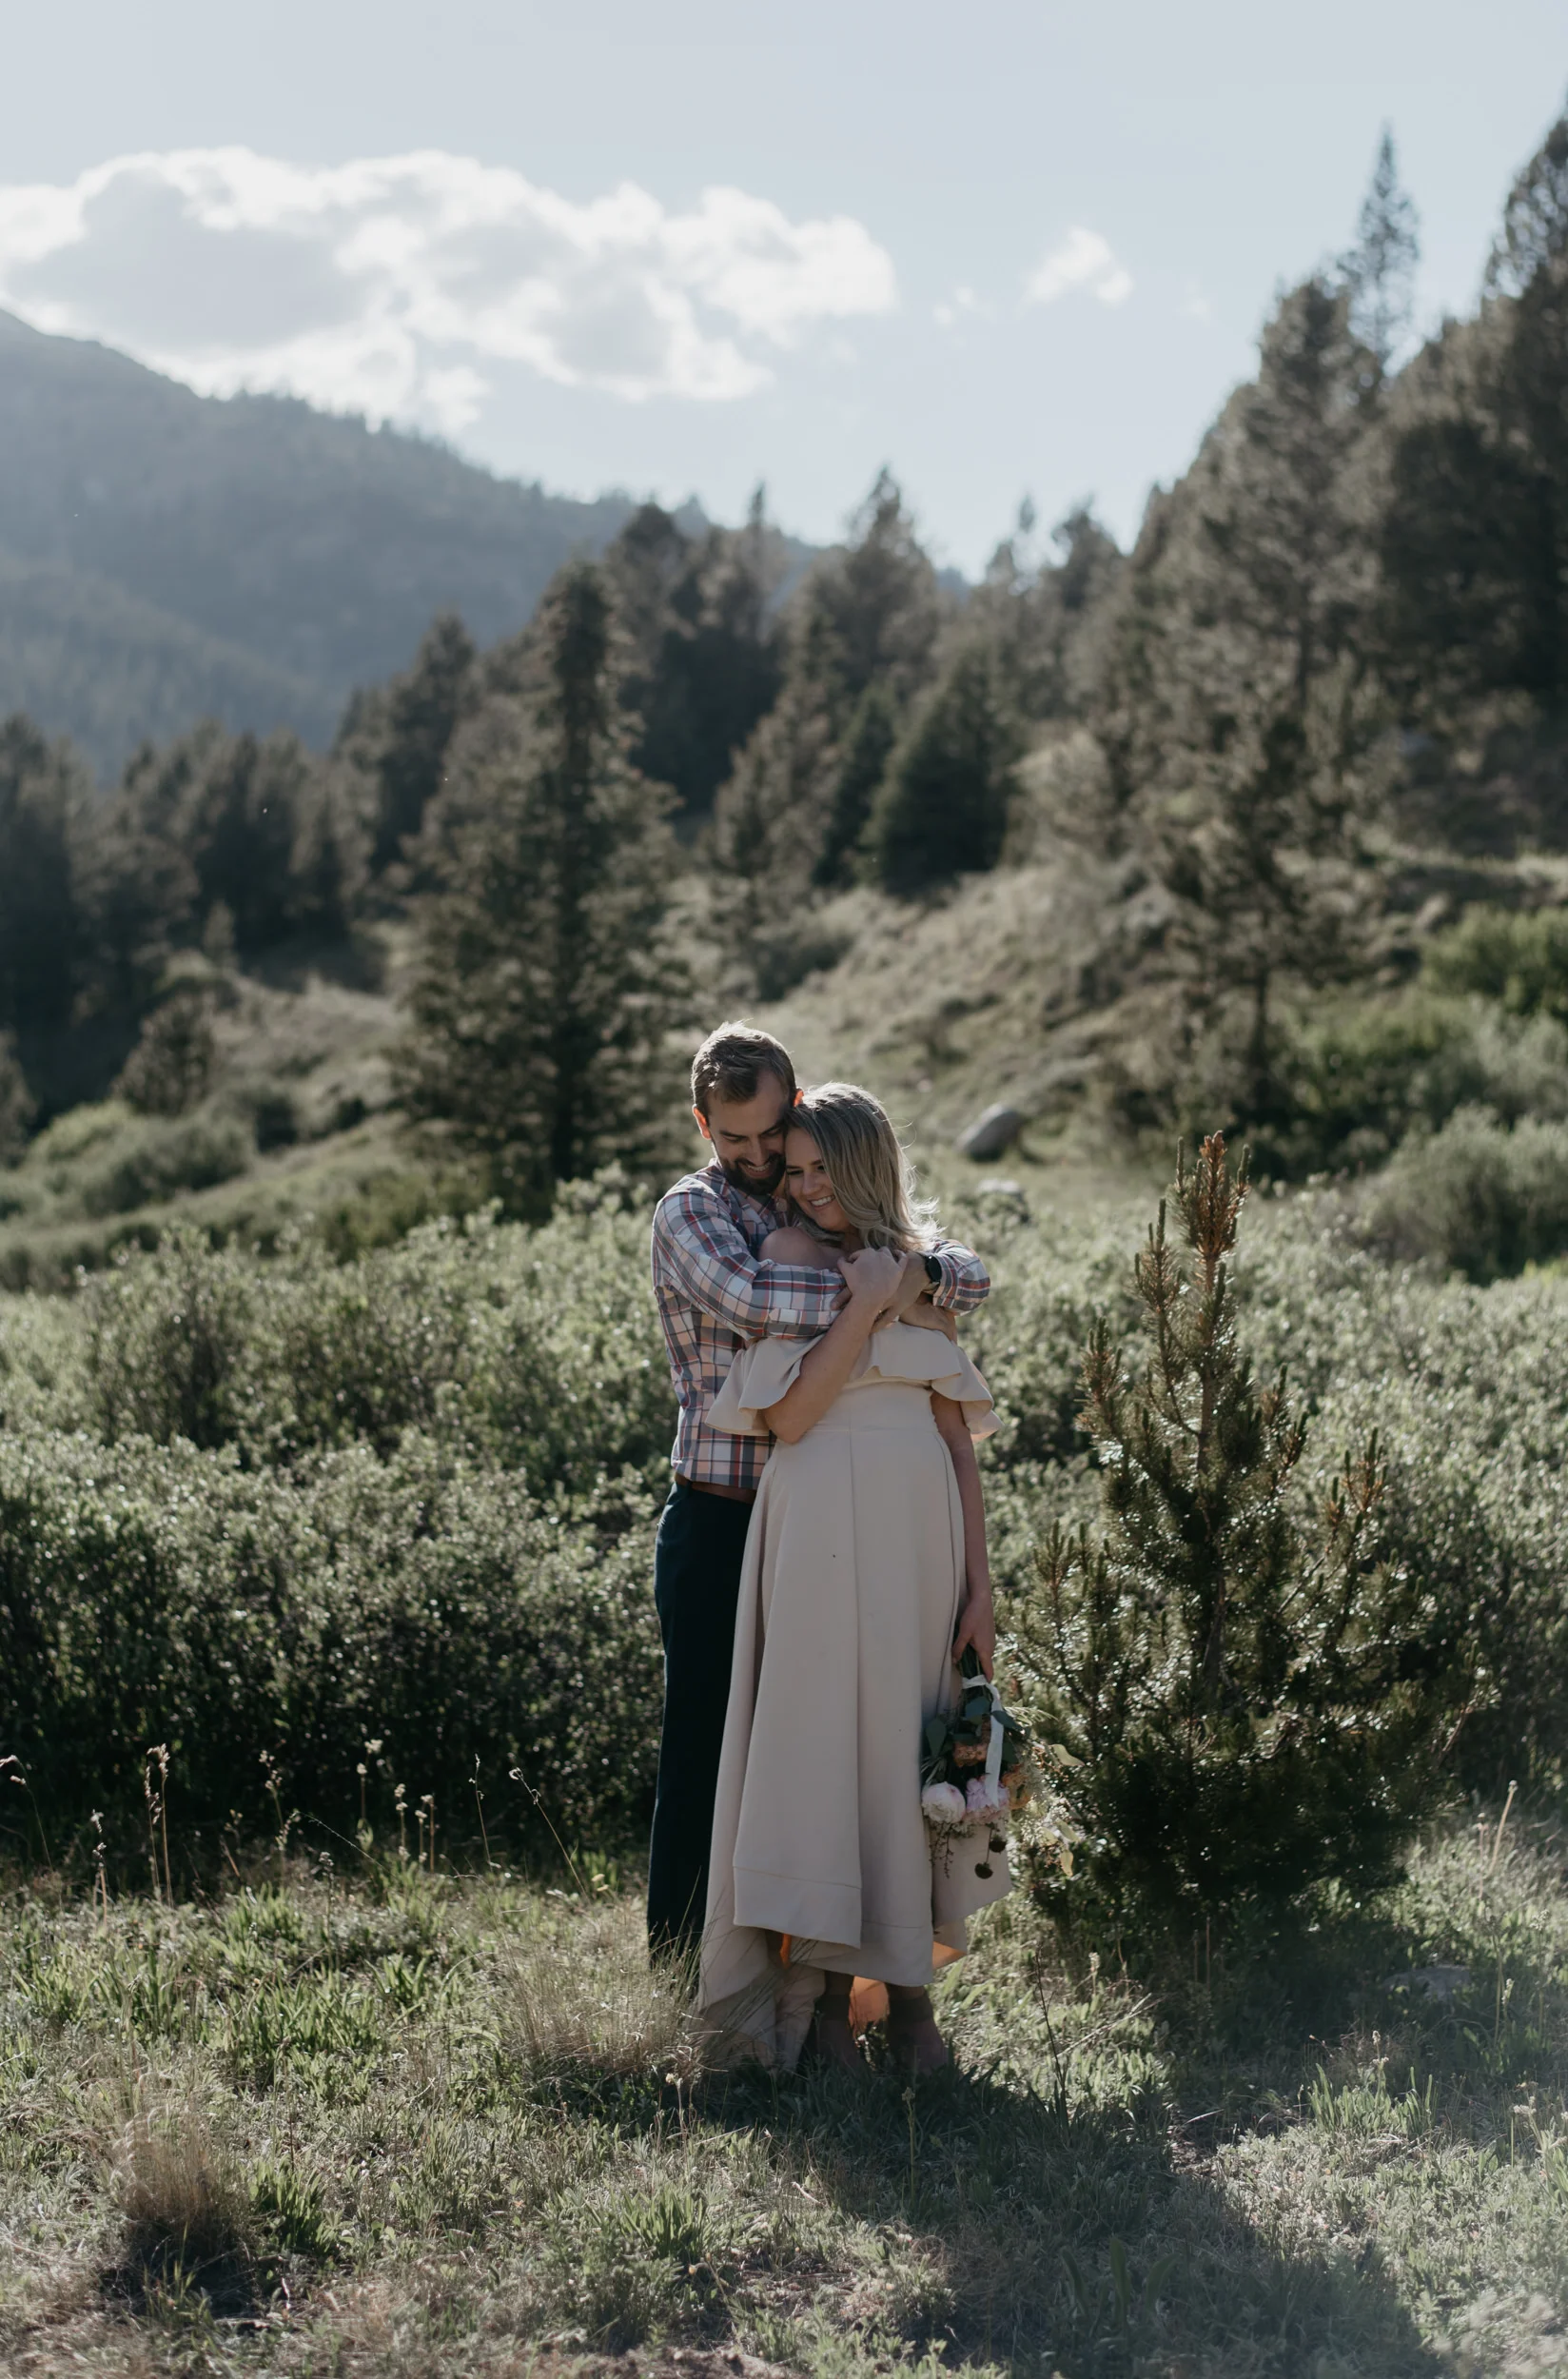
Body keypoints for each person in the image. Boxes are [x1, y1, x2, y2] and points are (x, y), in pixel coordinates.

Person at [647, 1025, 990, 1957]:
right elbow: (756, 1302)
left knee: (809, 1761)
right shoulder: (694, 1212)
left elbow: (962, 1271)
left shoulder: (816, 1196)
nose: (759, 1158)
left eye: (772, 1136)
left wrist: (913, 1273)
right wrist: (881, 1291)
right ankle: (686, 1976)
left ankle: (809, 1984)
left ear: (794, 1106)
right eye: (735, 1139)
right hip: (723, 1519)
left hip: (825, 1528)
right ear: (702, 1123)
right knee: (708, 1757)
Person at [698, 1082, 1009, 2074]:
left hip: (918, 1524)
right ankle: (827, 1999)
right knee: (825, 1746)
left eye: (822, 1166)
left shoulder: (931, 1275)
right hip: (814, 1513)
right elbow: (788, 1419)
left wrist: (980, 1582)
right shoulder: (785, 1264)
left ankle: (910, 2001)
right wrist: (867, 1303)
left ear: (865, 1163)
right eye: (793, 1171)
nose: (806, 1186)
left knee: (904, 1748)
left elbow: (958, 1437)